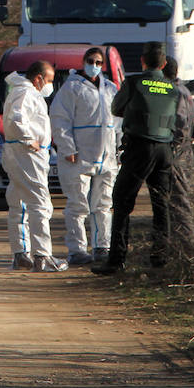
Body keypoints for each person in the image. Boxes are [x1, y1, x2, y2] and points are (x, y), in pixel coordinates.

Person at [93, 41, 177, 275]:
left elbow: (116, 109)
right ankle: (160, 259)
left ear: (142, 61)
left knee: (121, 201)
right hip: (165, 150)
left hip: (140, 147)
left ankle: (116, 260)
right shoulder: (173, 87)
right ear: (164, 63)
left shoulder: (134, 83)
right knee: (161, 206)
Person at [49, 47, 119, 266]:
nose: (95, 65)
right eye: (91, 61)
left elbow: (117, 121)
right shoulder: (72, 88)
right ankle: (77, 249)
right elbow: (60, 119)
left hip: (106, 157)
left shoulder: (110, 88)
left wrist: (119, 148)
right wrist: (67, 148)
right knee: (78, 205)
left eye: (99, 62)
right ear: (83, 61)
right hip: (80, 157)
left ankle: (102, 246)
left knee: (104, 204)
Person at [0, 61, 65, 272]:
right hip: (27, 154)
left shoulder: (20, 91)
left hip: (19, 153)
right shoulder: (26, 94)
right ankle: (42, 256)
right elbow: (16, 119)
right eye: (49, 80)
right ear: (38, 78)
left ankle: (21, 254)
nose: (50, 85)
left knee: (19, 203)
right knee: (40, 203)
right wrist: (30, 140)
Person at [164, 56, 194, 253]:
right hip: (183, 154)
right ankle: (179, 247)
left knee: (180, 203)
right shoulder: (182, 90)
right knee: (175, 204)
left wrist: (170, 149)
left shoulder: (175, 93)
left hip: (178, 157)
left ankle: (188, 249)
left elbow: (180, 125)